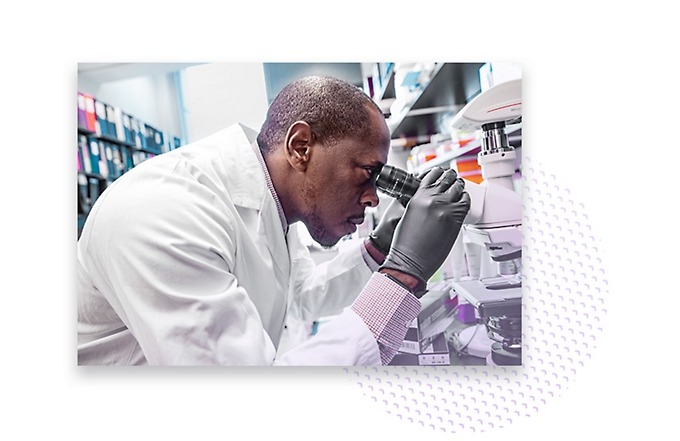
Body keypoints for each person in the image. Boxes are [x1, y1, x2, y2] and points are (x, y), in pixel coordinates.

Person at [77, 75, 471, 366]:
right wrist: (402, 274)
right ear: (301, 147)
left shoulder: (269, 201)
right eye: (367, 172)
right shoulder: (164, 212)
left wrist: (380, 247)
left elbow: (299, 296)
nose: (372, 198)